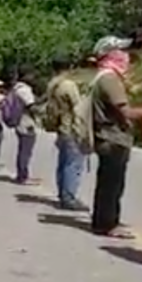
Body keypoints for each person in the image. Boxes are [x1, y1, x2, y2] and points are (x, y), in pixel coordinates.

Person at [88, 35, 142, 238]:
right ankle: (107, 223)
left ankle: (104, 221)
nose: (125, 56)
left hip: (108, 137)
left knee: (108, 183)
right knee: (112, 184)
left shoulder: (105, 77)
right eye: (121, 51)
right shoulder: (110, 78)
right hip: (112, 138)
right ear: (110, 54)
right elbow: (126, 112)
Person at [43, 58, 89, 211]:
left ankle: (63, 193)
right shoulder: (68, 85)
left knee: (63, 163)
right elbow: (78, 107)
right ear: (69, 67)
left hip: (60, 128)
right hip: (71, 128)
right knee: (74, 163)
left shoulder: (52, 84)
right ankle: (69, 197)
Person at [10, 73, 41, 185]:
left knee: (23, 149)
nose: (34, 78)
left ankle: (22, 174)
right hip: (26, 123)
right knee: (25, 150)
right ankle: (23, 176)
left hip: (21, 122)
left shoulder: (17, 88)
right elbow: (31, 107)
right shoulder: (24, 90)